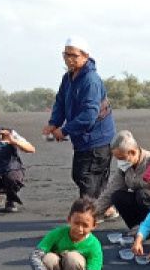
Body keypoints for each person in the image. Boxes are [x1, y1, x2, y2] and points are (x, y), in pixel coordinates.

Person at [42, 37, 116, 199]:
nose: (69, 59)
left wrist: (65, 130)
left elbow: (89, 115)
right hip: (83, 137)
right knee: (87, 176)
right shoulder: (68, 78)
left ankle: (87, 216)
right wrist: (53, 123)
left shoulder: (91, 80)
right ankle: (104, 208)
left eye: (74, 55)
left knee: (86, 176)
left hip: (97, 138)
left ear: (85, 56)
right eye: (66, 54)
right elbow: (60, 101)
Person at [92, 130, 150, 228]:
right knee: (118, 196)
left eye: (121, 158)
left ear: (132, 152)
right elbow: (110, 191)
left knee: (142, 194)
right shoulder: (125, 168)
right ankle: (136, 228)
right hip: (145, 205)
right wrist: (91, 214)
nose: (119, 162)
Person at [29, 198, 104, 270]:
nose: (79, 229)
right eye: (76, 223)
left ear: (94, 225)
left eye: (85, 225)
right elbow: (35, 256)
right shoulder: (57, 233)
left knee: (73, 258)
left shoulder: (94, 245)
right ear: (69, 219)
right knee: (49, 258)